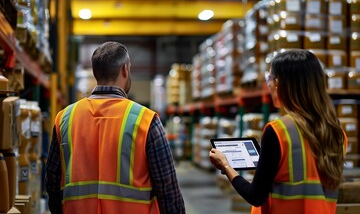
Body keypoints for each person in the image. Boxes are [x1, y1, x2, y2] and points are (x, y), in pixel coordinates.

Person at [45, 41, 186, 214]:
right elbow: (167, 189)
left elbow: (52, 182)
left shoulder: (64, 118)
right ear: (125, 70)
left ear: (96, 72)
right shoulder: (146, 120)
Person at [209, 49, 348, 214]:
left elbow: (255, 195)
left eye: (269, 78)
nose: (268, 84)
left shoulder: (279, 131)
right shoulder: (337, 134)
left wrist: (225, 165)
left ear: (280, 83)